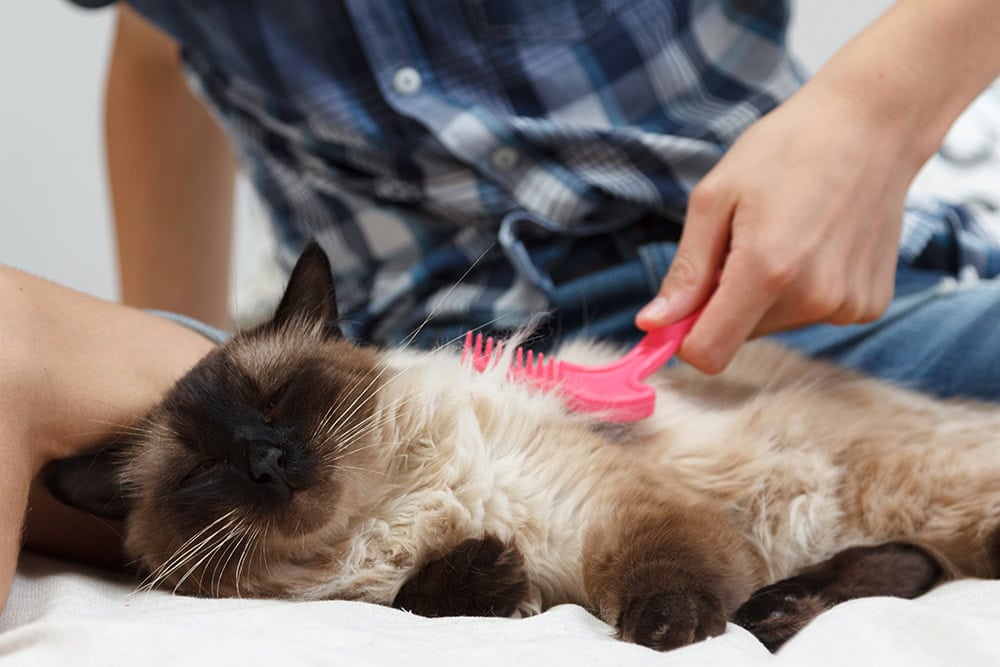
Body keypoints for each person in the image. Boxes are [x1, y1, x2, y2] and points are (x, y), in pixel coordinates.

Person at [3, 0, 1000, 613]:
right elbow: (153, 49)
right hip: (415, 359)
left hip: (768, 287)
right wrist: (176, 358)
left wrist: (870, 114)